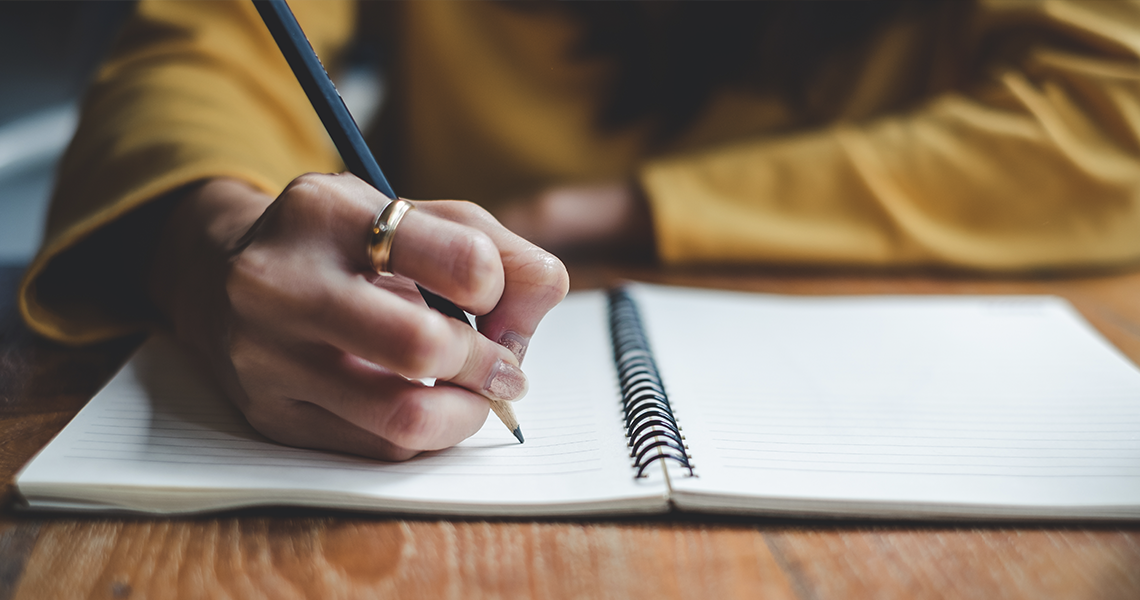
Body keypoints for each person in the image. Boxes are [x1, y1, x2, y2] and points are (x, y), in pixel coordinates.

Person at [19, 0, 1140, 460]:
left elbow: (1117, 109)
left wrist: (609, 211)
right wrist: (211, 239)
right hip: (397, 349)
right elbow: (207, 49)